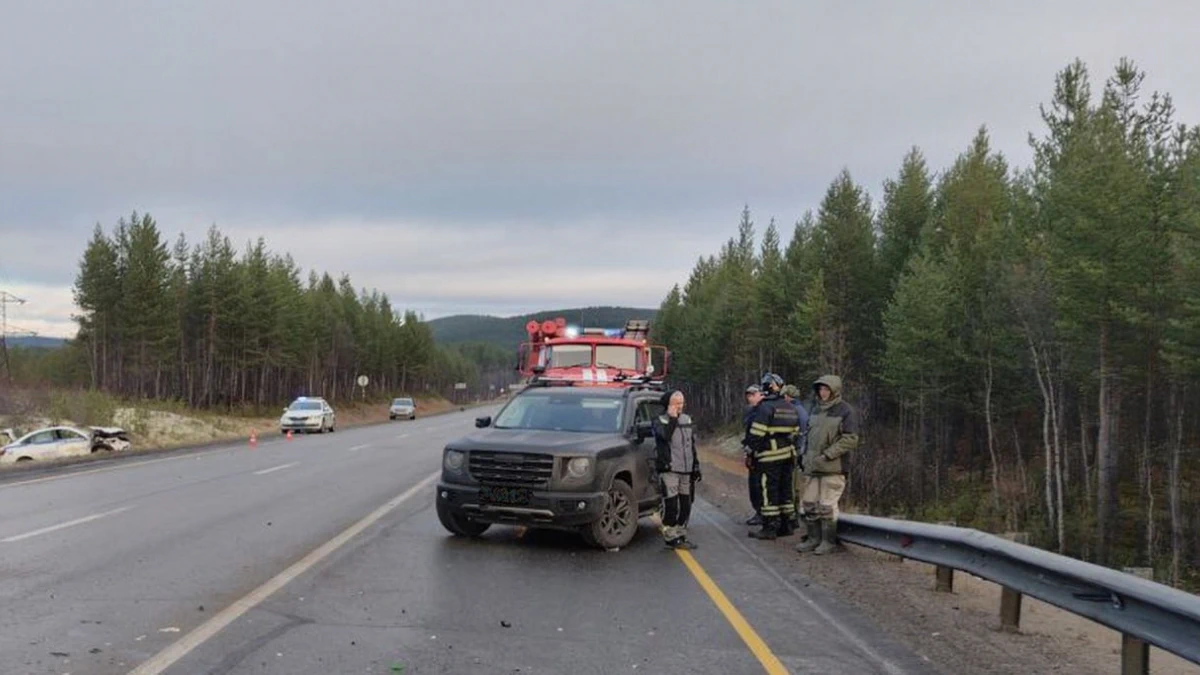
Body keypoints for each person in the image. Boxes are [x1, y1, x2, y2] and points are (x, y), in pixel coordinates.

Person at [796, 375, 858, 555]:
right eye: (820, 389)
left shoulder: (845, 411)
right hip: (812, 466)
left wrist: (828, 455)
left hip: (833, 467)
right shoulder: (815, 410)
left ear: (834, 390)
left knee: (826, 506)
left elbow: (850, 439)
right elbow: (807, 436)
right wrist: (804, 456)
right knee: (808, 503)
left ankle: (828, 541)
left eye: (826, 389)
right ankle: (813, 538)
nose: (823, 393)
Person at [745, 373, 801, 539]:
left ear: (766, 387)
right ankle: (786, 525)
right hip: (788, 456)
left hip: (769, 456)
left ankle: (769, 528)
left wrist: (750, 452)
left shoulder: (765, 408)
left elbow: (756, 434)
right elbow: (796, 432)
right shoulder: (790, 407)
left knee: (768, 490)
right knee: (785, 490)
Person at [652, 389, 701, 549]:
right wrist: (672, 419)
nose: (680, 406)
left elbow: (691, 445)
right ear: (668, 404)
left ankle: (681, 534)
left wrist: (696, 466)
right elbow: (664, 436)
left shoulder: (687, 419)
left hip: (686, 469)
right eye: (676, 403)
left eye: (681, 403)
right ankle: (670, 536)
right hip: (670, 469)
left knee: (686, 504)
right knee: (671, 505)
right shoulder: (659, 420)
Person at [780, 383, 810, 534]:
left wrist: (799, 453)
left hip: (796, 454)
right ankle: (793, 516)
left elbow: (801, 435)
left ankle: (793, 518)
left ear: (787, 396)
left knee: (793, 487)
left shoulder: (796, 411)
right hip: (798, 453)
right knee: (794, 487)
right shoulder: (801, 410)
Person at [742, 384, 765, 526]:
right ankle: (759, 512)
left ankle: (762, 513)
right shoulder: (750, 411)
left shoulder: (765, 411)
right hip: (753, 452)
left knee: (760, 485)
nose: (749, 397)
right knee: (754, 485)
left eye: (753, 394)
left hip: (763, 453)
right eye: (748, 395)